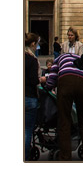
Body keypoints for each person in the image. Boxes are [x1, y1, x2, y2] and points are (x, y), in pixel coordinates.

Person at [40, 50, 83, 160]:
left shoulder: (59, 59)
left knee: (64, 121)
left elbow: (52, 77)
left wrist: (47, 88)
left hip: (66, 83)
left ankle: (65, 157)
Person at [25, 32, 41, 161]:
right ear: (33, 44)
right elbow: (33, 80)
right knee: (27, 130)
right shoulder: (32, 59)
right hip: (29, 98)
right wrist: (42, 79)